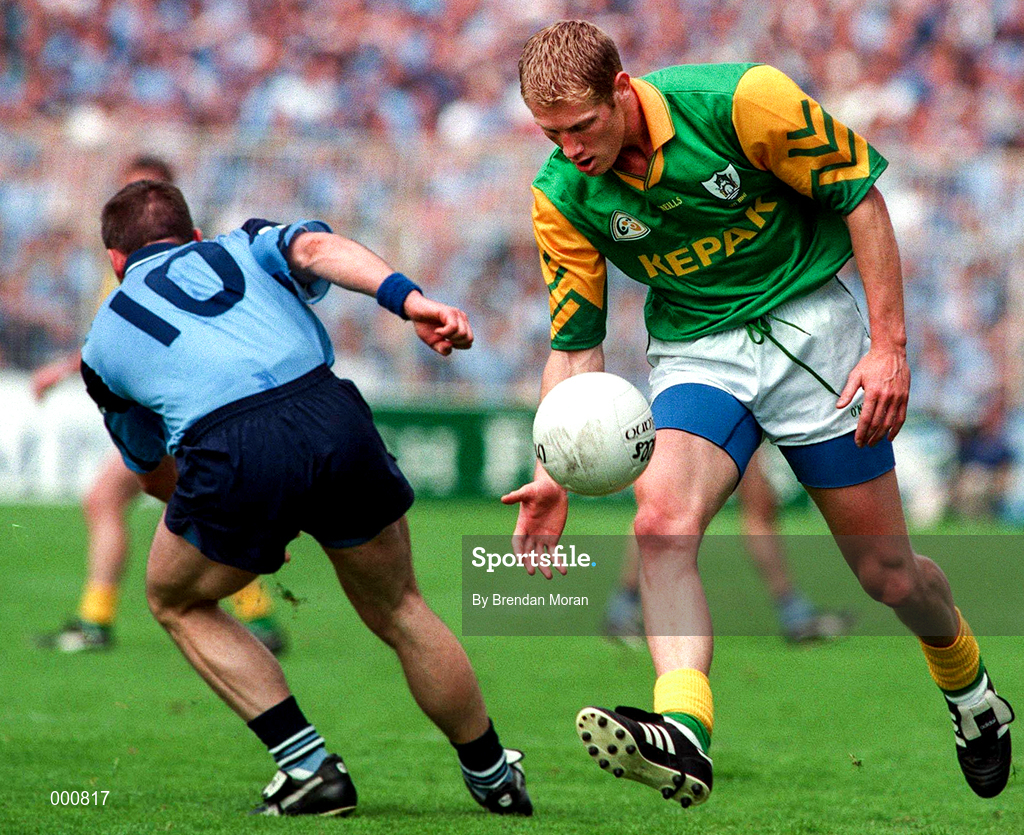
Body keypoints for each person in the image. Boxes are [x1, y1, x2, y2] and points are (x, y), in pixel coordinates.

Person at [505, 20, 1013, 809]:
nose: (569, 149)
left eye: (582, 126)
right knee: (660, 521)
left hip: (815, 332)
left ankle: (970, 687)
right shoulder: (561, 195)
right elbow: (574, 350)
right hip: (699, 351)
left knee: (888, 575)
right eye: (551, 135)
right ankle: (684, 729)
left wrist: (889, 347)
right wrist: (549, 469)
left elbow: (863, 201)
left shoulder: (744, 101)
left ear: (623, 90)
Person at [81, 180, 532, 817]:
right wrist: (410, 301)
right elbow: (318, 249)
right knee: (401, 606)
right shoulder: (241, 243)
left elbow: (153, 474)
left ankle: (309, 768)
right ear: (195, 236)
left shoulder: (100, 345)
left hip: (231, 447)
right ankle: (492, 773)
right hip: (330, 412)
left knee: (174, 599)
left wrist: (248, 530)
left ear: (115, 262)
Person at [34, 155, 286, 655]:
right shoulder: (175, 258)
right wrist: (66, 368)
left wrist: (67, 369)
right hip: (180, 408)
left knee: (117, 499)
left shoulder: (163, 263)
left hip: (175, 412)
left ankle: (98, 621)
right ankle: (256, 613)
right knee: (163, 502)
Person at [603, 449, 853, 644]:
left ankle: (794, 612)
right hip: (702, 401)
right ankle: (623, 607)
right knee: (665, 508)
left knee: (759, 504)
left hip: (744, 401)